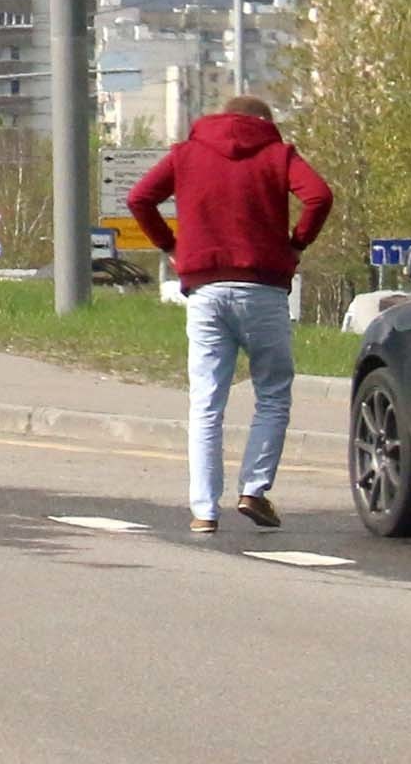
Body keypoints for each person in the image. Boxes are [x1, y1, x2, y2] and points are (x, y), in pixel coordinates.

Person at [125, 92, 333, 535]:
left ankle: (204, 510)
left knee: (206, 401)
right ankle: (254, 489)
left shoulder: (186, 154)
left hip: (205, 289)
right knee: (273, 392)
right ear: (263, 120)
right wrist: (296, 243)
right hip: (263, 289)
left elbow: (140, 198)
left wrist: (171, 246)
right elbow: (319, 196)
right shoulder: (278, 154)